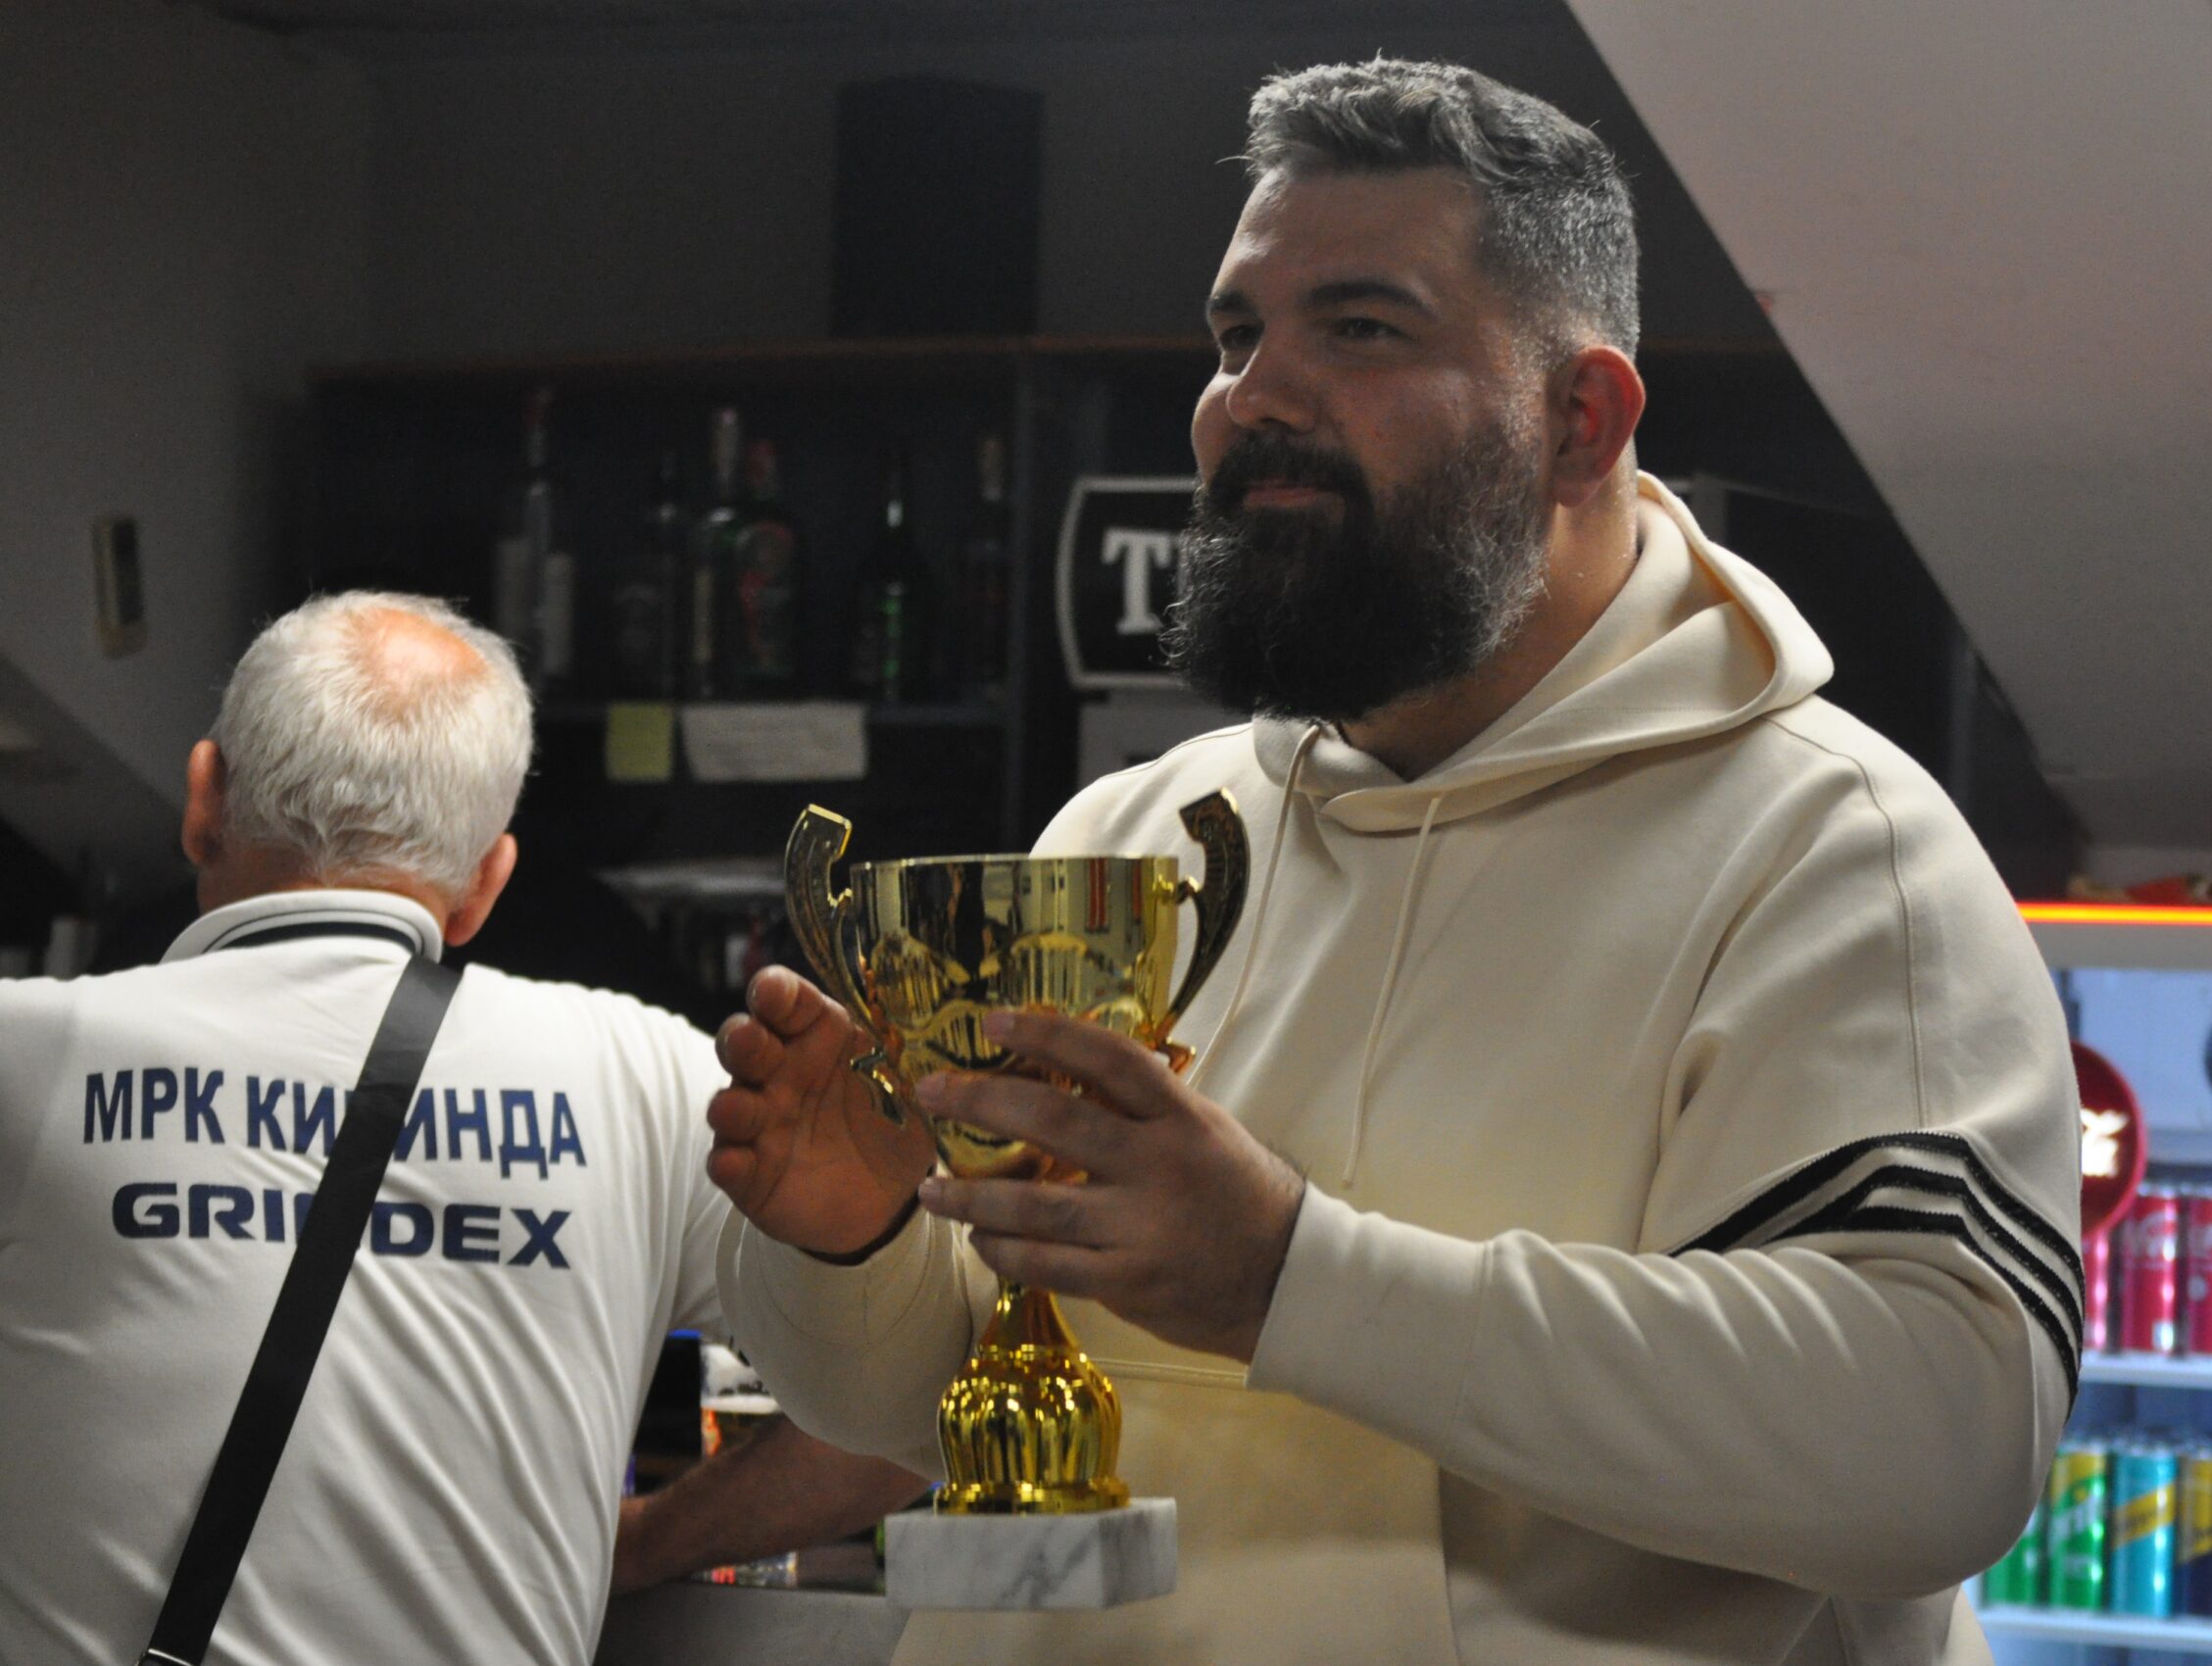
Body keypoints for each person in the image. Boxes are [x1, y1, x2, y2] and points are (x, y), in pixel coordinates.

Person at [709, 59, 2081, 1665]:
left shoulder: (1835, 855)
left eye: (1360, 329)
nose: (1252, 396)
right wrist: (854, 1240)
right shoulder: (1135, 837)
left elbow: (1940, 1446)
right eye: (1236, 335)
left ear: (1580, 422)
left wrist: (1289, 1279)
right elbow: (936, 1412)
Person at [0, 591, 923, 1665]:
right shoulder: (647, 1076)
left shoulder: (27, 1053)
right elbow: (919, 1395)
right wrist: (636, 1543)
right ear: (486, 881)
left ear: (203, 799)